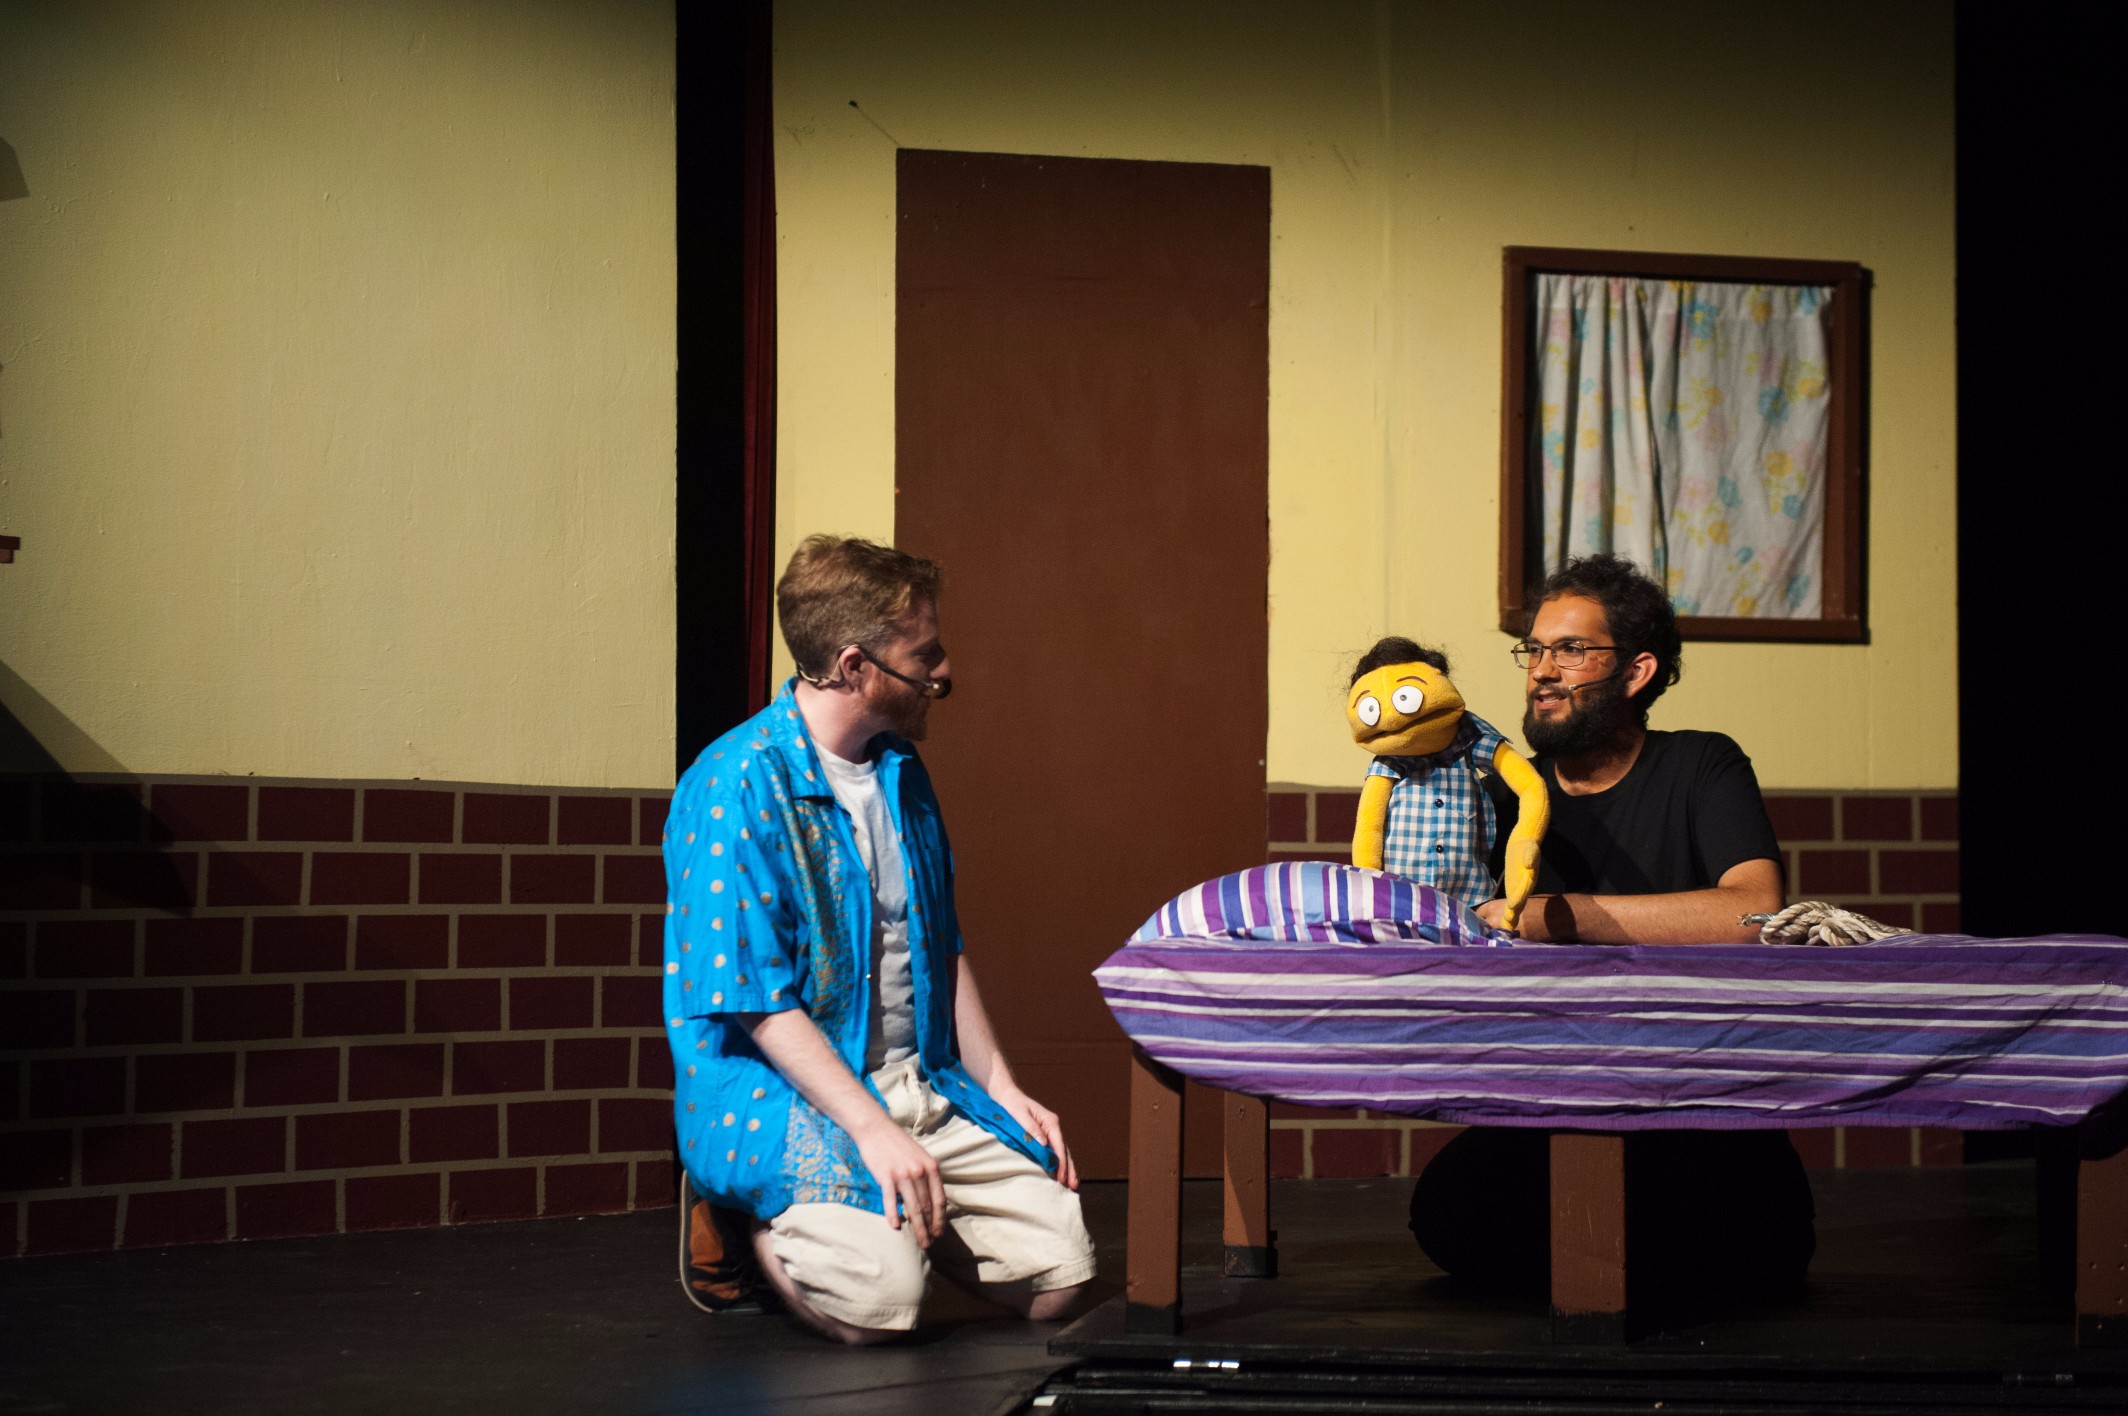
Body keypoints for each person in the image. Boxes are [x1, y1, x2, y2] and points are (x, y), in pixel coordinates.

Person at [665, 534, 1095, 1344]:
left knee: (1060, 1280)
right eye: (924, 654)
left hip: (918, 1084)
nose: (944, 671)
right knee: (875, 1315)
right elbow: (755, 1002)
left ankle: (893, 1235)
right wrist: (871, 1129)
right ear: (855, 666)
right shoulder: (736, 785)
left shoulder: (900, 770)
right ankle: (747, 1226)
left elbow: (941, 944)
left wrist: (1002, 1086)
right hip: (791, 1098)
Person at [1411, 553, 1815, 1310]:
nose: (1542, 671)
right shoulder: (1506, 795)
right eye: (1535, 649)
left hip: (1696, 1097)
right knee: (1447, 1214)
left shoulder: (1701, 762)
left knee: (1746, 1243)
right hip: (1557, 1093)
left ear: (1636, 672)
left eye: (1570, 649)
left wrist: (1561, 917)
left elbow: (1754, 911)